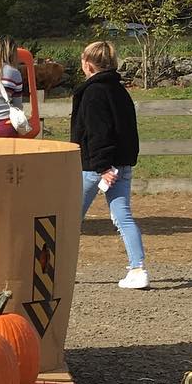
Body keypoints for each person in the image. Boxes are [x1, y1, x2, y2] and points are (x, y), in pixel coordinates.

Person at [71, 38, 147, 289]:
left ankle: (59, 270)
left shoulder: (93, 93)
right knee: (123, 216)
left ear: (88, 64)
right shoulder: (120, 90)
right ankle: (138, 268)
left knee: (70, 219)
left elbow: (97, 132)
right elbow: (127, 131)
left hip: (95, 167)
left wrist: (102, 167)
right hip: (120, 165)